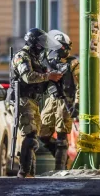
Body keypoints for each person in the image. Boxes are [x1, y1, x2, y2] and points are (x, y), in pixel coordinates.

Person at [10, 28, 63, 178]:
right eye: (40, 43)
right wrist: (48, 76)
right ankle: (24, 172)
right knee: (30, 135)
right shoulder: (22, 56)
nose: (42, 46)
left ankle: (30, 173)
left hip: (33, 100)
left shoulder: (35, 58)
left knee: (33, 137)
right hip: (24, 99)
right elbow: (28, 77)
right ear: (33, 42)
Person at [38, 30, 79, 170]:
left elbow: (80, 85)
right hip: (51, 99)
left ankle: (59, 168)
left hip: (65, 101)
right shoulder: (49, 62)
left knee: (62, 135)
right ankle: (61, 155)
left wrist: (77, 104)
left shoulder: (73, 63)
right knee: (42, 132)